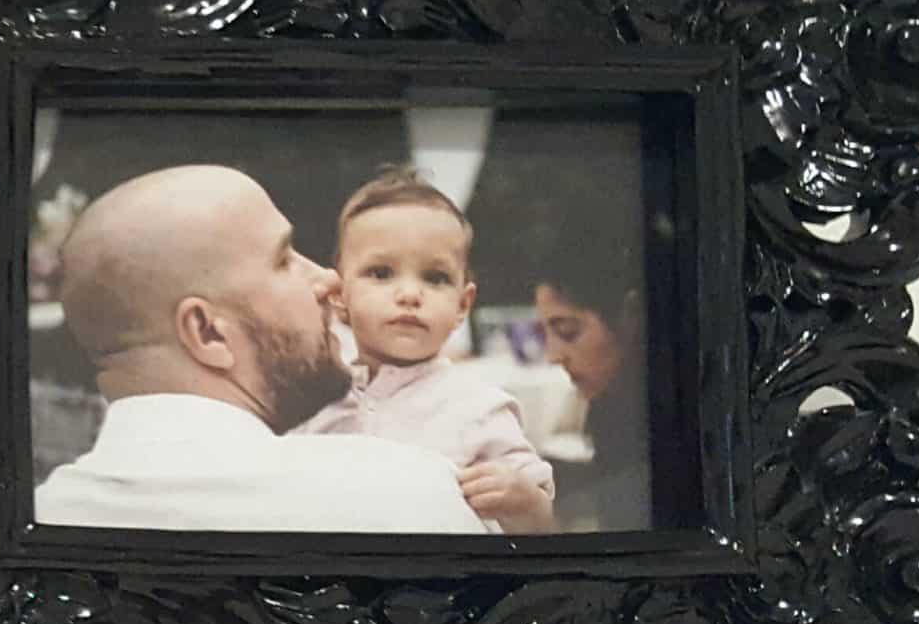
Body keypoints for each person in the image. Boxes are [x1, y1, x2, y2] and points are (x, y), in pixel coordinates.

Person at [32, 165, 484, 533]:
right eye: (285, 260)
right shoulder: (407, 499)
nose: (329, 279)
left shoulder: (48, 516)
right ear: (207, 332)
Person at [295, 169, 555, 532]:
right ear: (340, 294)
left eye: (435, 278)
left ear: (462, 305)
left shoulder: (479, 408)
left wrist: (524, 502)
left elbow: (541, 527)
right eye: (381, 273)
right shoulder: (315, 397)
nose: (409, 294)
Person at [533, 253, 652, 532]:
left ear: (631, 314)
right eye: (544, 333)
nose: (552, 356)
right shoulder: (607, 402)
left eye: (567, 330)